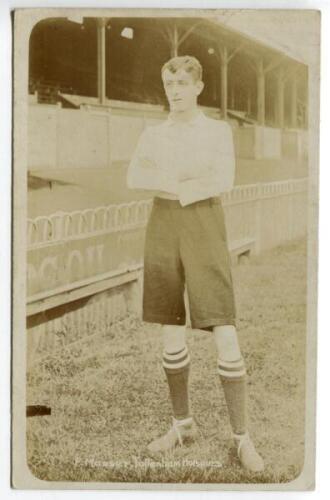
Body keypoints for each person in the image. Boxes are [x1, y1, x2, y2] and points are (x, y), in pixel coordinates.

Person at [127, 55, 264, 473]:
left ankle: (242, 438)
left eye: (183, 82)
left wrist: (172, 179)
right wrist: (187, 176)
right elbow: (135, 176)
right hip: (163, 225)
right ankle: (182, 425)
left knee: (223, 325)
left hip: (204, 221)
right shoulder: (154, 132)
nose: (175, 90)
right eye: (169, 83)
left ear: (199, 87)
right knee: (170, 326)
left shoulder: (217, 130)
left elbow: (223, 179)